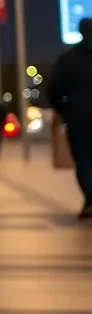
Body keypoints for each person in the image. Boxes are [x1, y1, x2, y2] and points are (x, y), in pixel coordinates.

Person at [46, 16, 92, 220]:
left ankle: (91, 198)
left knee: (84, 160)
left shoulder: (68, 59)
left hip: (79, 118)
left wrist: (65, 108)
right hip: (78, 116)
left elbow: (53, 89)